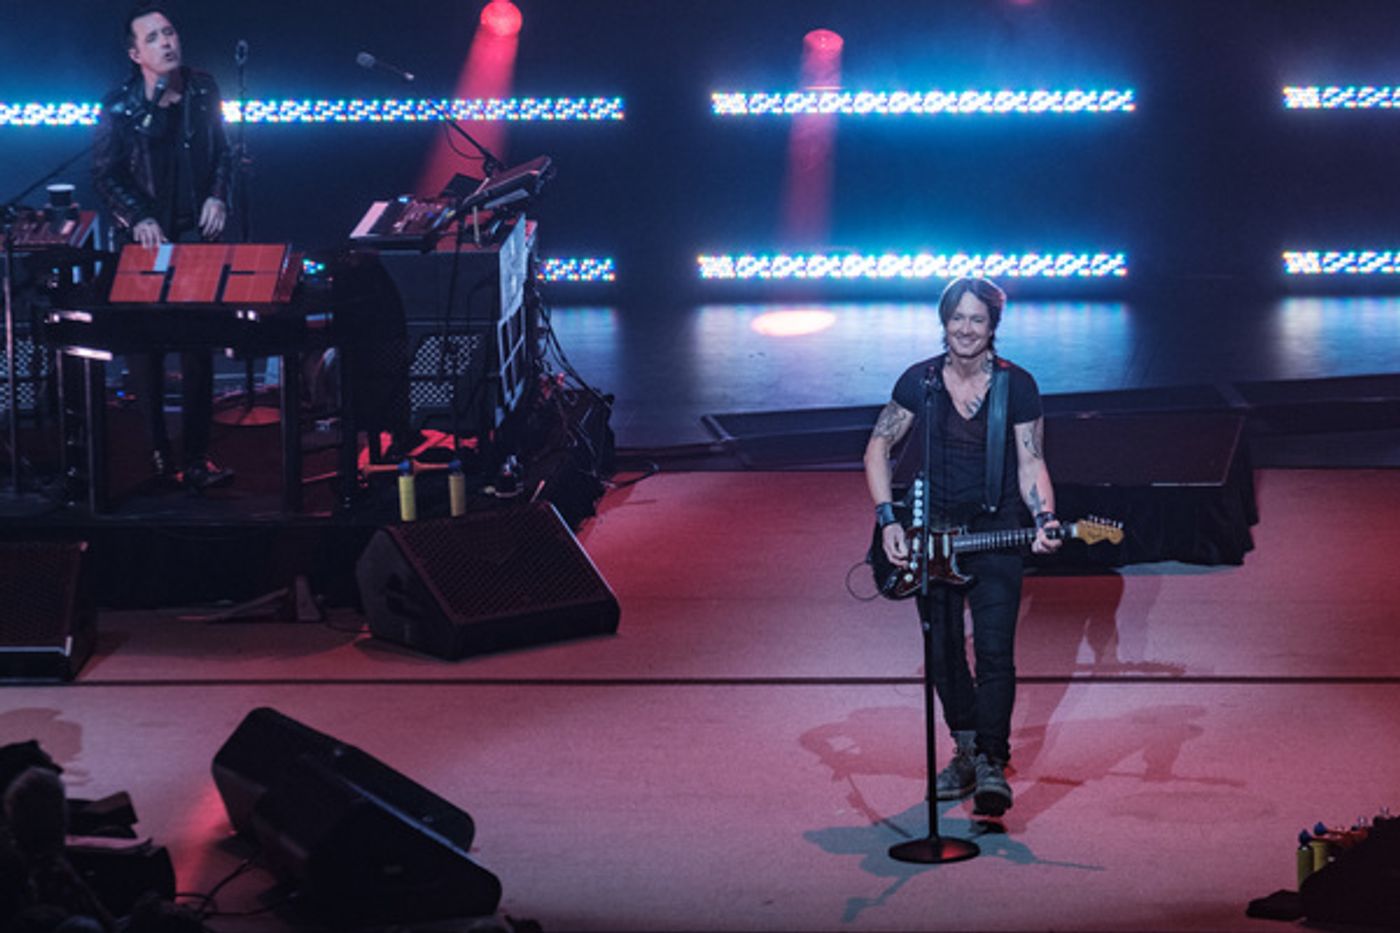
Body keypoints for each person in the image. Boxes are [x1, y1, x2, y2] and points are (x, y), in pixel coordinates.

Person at [863, 275, 1060, 817]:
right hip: (933, 537)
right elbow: (878, 446)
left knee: (995, 651)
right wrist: (888, 520)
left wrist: (1043, 515)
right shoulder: (920, 382)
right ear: (944, 321)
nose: (966, 329)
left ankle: (994, 762)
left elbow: (1031, 461)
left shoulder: (1016, 386)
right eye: (958, 318)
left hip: (995, 530)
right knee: (943, 651)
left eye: (978, 319)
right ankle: (967, 749)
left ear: (993, 325)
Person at [92, 2, 234, 490]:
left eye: (169, 32)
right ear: (136, 54)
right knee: (146, 350)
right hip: (145, 238)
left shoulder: (202, 88)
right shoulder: (119, 106)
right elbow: (106, 174)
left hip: (195, 233)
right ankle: (157, 456)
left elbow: (224, 154)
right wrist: (138, 216)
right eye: (153, 38)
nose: (167, 42)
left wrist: (218, 196)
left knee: (198, 348)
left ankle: (196, 457)